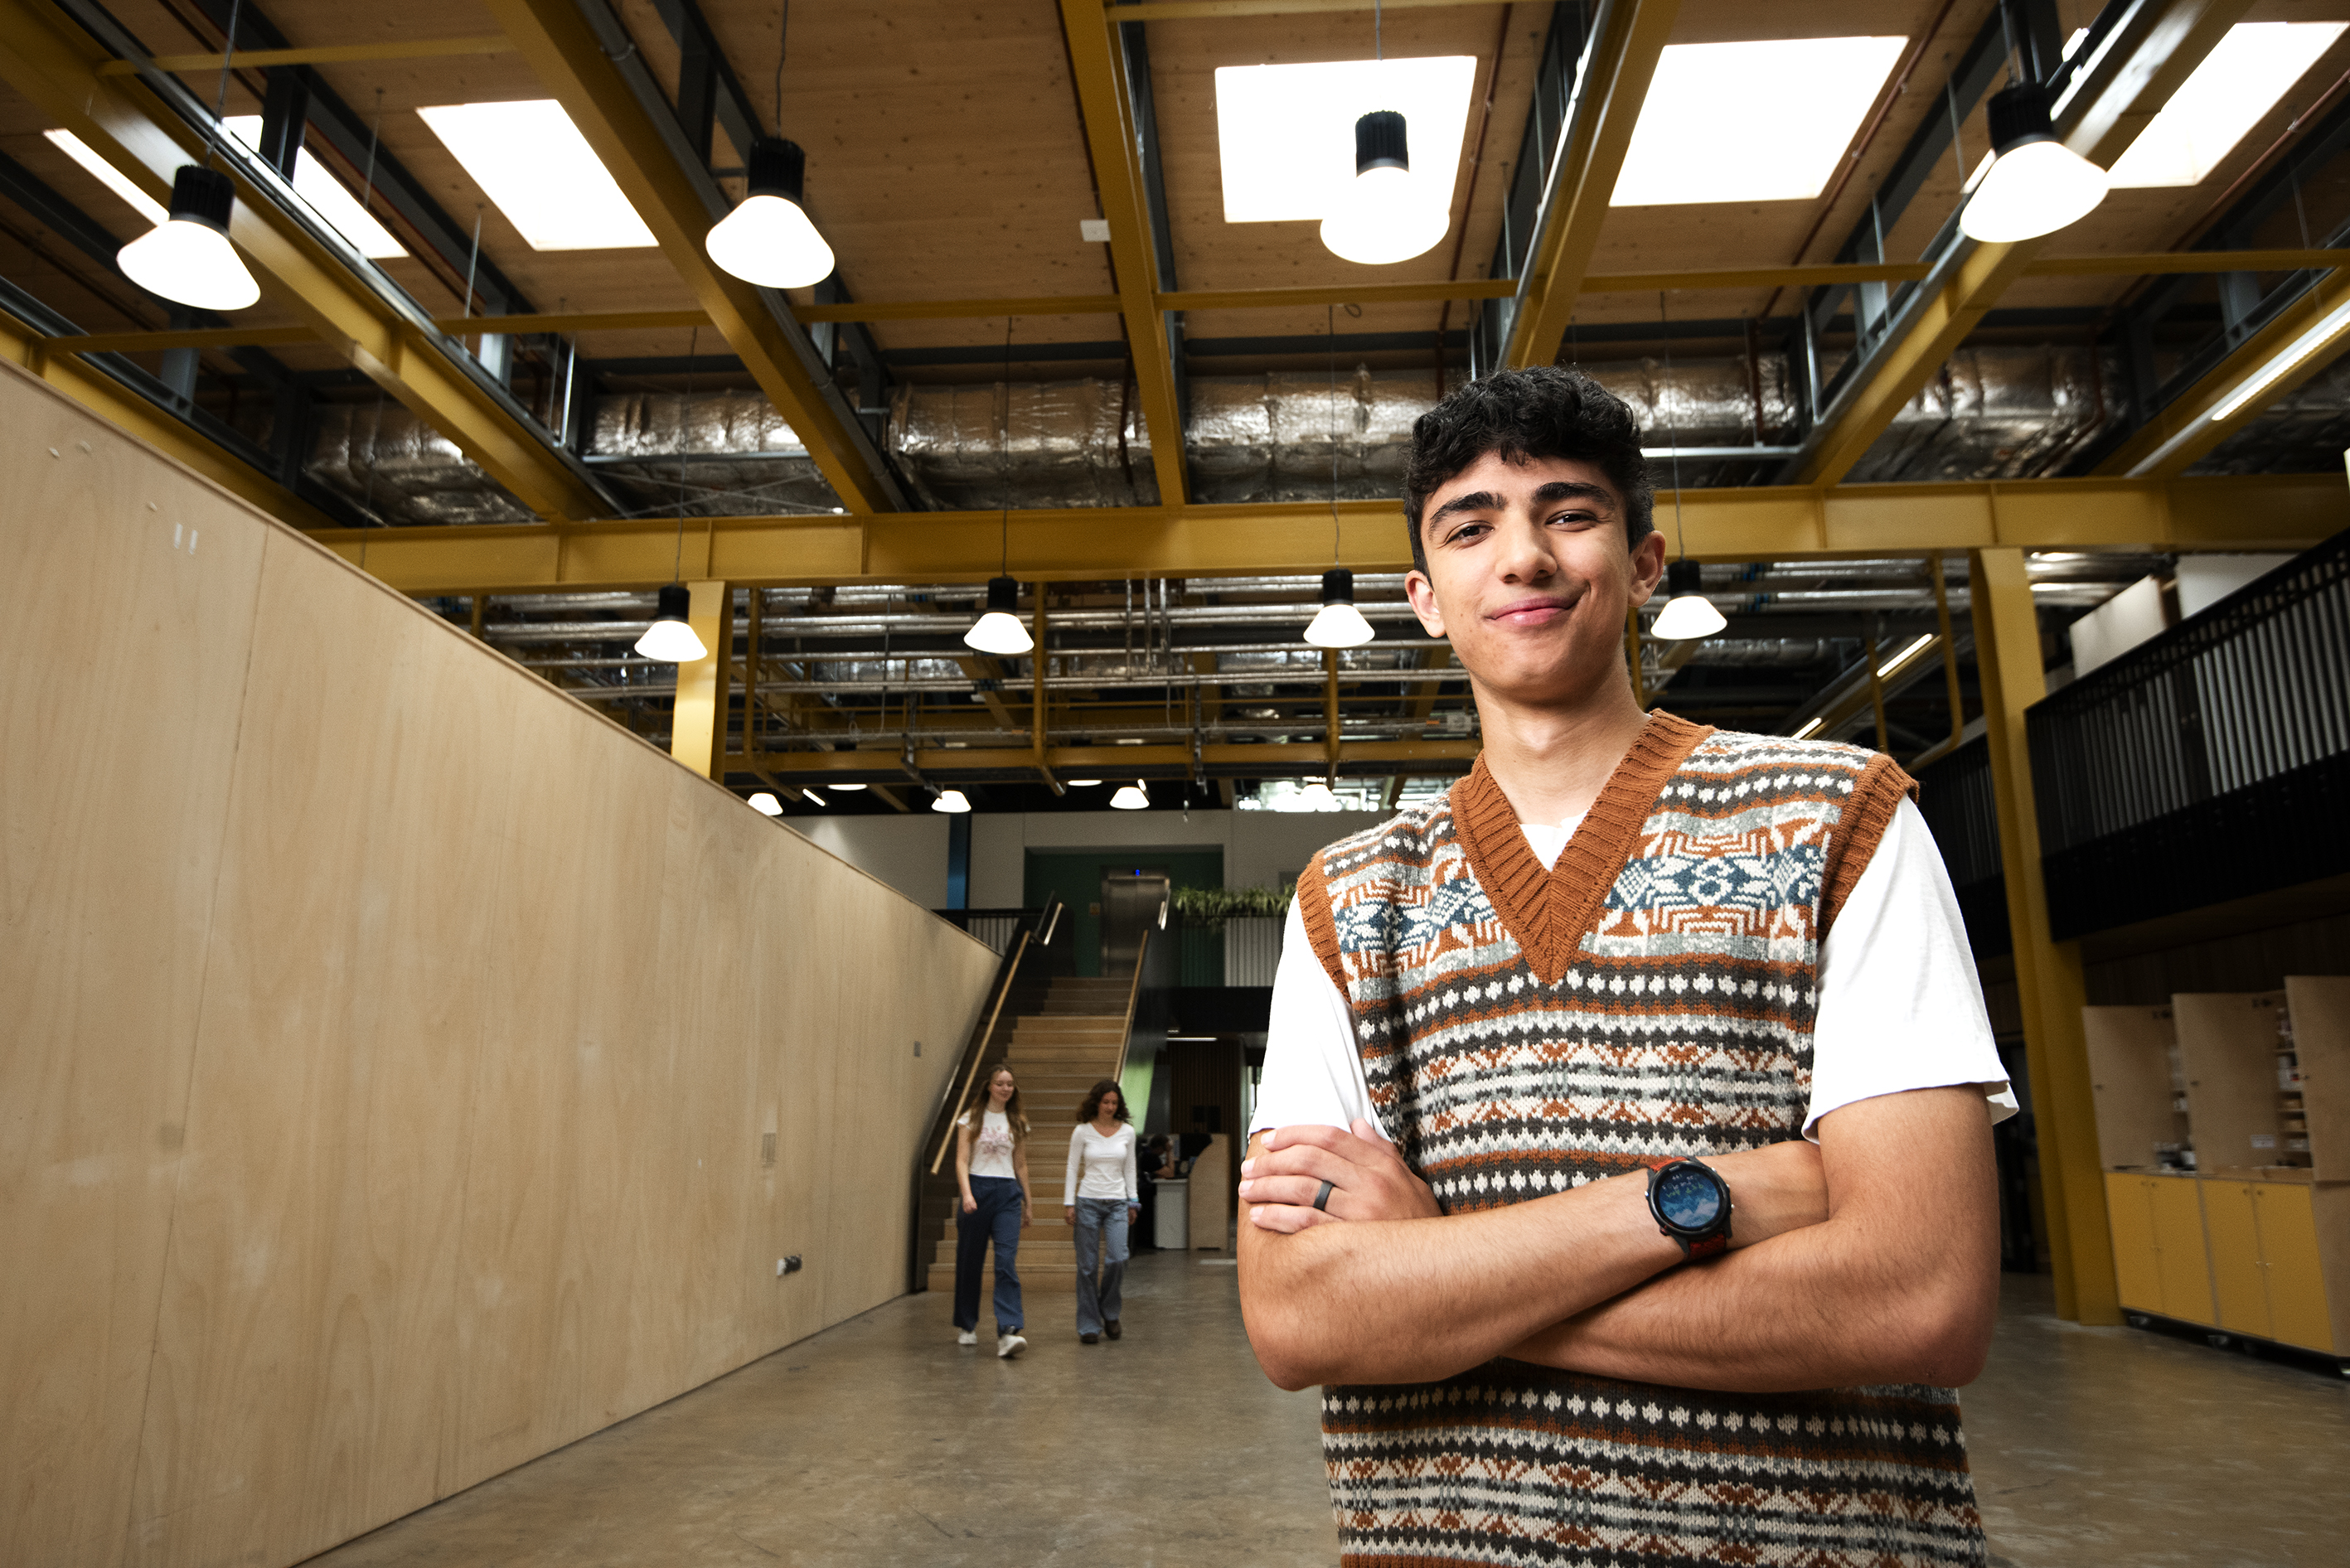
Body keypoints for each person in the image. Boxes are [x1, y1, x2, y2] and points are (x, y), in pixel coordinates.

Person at [1234, 365, 2015, 1567]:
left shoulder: (1834, 817)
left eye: (1567, 512)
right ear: (1425, 597)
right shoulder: (1348, 897)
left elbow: (1919, 1296)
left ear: (1643, 565)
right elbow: (1297, 1318)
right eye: (1470, 526)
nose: (1521, 557)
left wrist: (1441, 1270)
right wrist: (1702, 1201)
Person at [952, 1065, 1031, 1359]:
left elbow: (1021, 1164)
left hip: (1008, 1193)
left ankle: (1009, 1331)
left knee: (1006, 1261)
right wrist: (967, 1194)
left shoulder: (1017, 1121)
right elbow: (961, 1160)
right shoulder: (970, 1118)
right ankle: (966, 1324)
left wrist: (1029, 1202)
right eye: (1000, 1083)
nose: (1005, 1088)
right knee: (970, 1261)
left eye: (1010, 1084)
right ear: (989, 1086)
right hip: (978, 1188)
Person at [1063, 1079, 1140, 1343]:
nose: (1109, 1107)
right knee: (1087, 1267)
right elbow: (1073, 1168)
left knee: (1118, 1257)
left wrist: (1133, 1200)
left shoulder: (1127, 1132)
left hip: (1118, 1201)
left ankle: (1110, 1312)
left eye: (1114, 1102)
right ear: (1096, 1102)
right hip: (1088, 1201)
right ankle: (1088, 1323)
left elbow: (1130, 1167)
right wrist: (1068, 1203)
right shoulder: (1082, 1132)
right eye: (1105, 1102)